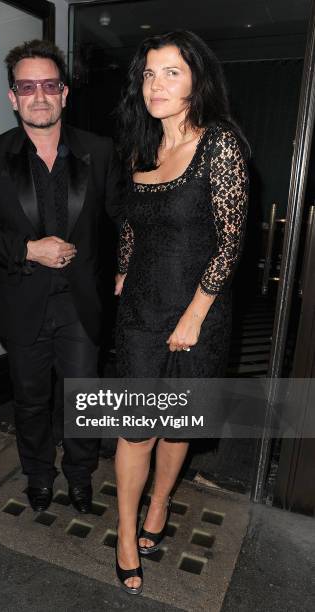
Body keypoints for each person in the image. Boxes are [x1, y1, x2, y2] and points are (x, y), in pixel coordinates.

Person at [113, 30, 249, 594]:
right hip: (141, 311)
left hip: (197, 312)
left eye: (171, 72)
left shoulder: (219, 144)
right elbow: (129, 223)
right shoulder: (141, 147)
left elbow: (231, 239)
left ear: (197, 80)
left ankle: (160, 505)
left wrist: (195, 314)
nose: (156, 84)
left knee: (175, 427)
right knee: (135, 428)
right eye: (149, 73)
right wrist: (122, 274)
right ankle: (124, 532)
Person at [0, 39, 121, 514]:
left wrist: (126, 269)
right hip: (24, 303)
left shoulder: (99, 150)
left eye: (49, 85)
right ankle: (38, 475)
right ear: (13, 97)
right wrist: (28, 249)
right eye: (27, 86)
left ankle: (79, 476)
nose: (39, 96)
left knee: (83, 400)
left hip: (82, 306)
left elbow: (121, 222)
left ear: (64, 93)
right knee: (30, 403)